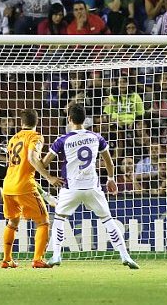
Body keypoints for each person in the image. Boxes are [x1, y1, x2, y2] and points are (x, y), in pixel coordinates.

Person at [42, 103, 139, 269]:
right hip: (92, 187)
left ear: (69, 119)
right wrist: (110, 178)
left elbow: (44, 163)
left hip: (70, 188)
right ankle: (125, 256)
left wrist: (42, 168)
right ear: (85, 120)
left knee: (59, 219)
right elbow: (108, 160)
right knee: (108, 220)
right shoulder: (96, 137)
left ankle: (56, 255)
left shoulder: (62, 140)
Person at [1, 109, 63, 269]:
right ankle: (37, 259)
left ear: (21, 122)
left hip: (7, 185)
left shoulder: (13, 139)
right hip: (24, 186)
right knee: (43, 221)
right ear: (37, 121)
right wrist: (49, 177)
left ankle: (7, 260)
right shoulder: (36, 137)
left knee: (12, 221)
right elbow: (31, 158)